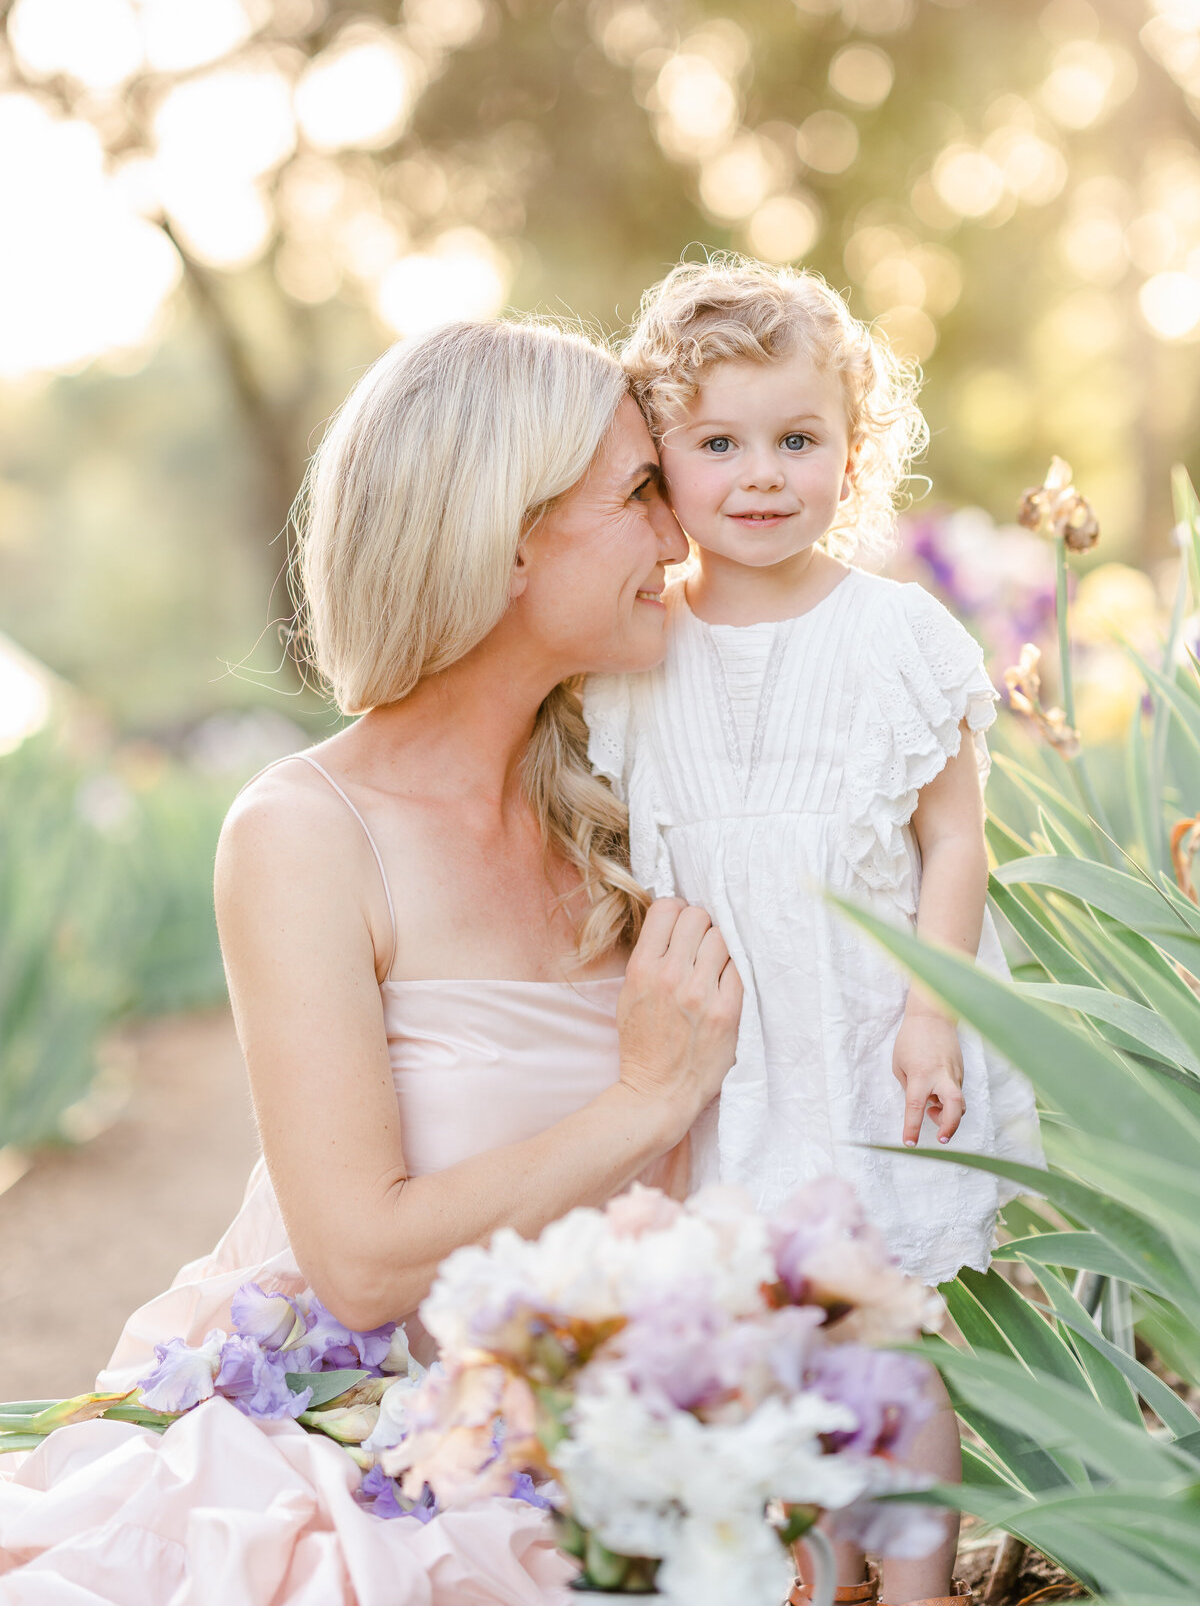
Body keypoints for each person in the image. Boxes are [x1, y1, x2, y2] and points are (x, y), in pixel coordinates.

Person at [0, 319, 742, 1604]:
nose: (679, 540)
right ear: (508, 535)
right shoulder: (303, 835)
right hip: (361, 1439)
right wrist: (647, 1099)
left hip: (617, 1421)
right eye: (638, 494)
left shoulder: (642, 803)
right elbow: (358, 1262)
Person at [582, 256, 1042, 1606]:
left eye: (799, 439)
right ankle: (811, 1568)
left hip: (860, 1028)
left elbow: (954, 836)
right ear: (659, 459)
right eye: (718, 442)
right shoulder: (634, 648)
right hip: (721, 1051)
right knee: (750, 1331)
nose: (762, 474)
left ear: (856, 451)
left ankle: (915, 1583)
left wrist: (929, 1009)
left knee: (886, 1317)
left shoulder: (895, 632)